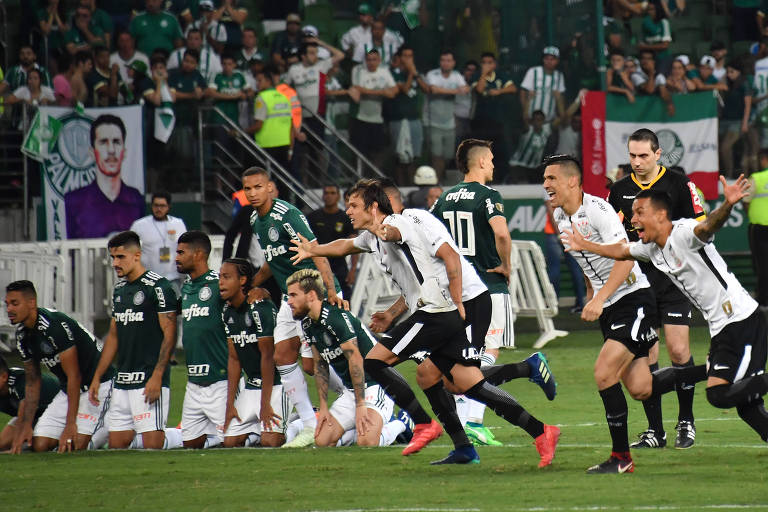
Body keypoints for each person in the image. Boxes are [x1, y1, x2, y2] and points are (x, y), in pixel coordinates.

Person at [291, 179, 561, 466]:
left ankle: (425, 424)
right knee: (448, 380)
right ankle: (517, 431)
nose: (348, 212)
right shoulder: (374, 237)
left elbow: (441, 254)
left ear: (375, 206)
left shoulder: (406, 220)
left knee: (387, 364)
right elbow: (348, 247)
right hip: (440, 306)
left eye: (354, 206)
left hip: (466, 304)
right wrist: (314, 250)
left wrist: (458, 304)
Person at [563, 176, 768, 447]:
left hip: (742, 322)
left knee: (720, 395)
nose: (633, 220)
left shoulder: (682, 233)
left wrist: (728, 205)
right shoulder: (651, 248)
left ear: (661, 215)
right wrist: (586, 245)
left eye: (639, 213)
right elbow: (622, 250)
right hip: (722, 329)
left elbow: (706, 227)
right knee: (746, 405)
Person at [543, 154, 697, 473]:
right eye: (544, 179)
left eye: (551, 178)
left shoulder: (598, 210)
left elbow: (625, 259)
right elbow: (586, 258)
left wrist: (598, 298)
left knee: (603, 373)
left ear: (573, 181)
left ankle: (620, 458)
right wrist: (591, 292)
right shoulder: (560, 216)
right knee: (641, 387)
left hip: (632, 299)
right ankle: (713, 368)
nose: (546, 184)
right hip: (611, 304)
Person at [608, 128, 706, 450]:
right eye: (632, 156)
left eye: (643, 156)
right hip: (639, 286)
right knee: (647, 356)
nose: (636, 162)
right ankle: (655, 431)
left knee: (678, 350)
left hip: (675, 279)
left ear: (658, 154)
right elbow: (615, 239)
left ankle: (686, 421)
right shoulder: (619, 190)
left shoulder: (679, 184)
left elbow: (700, 227)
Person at [429, 139, 528, 443]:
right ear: (483, 161)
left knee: (466, 352)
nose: (494, 165)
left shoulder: (443, 199)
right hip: (488, 285)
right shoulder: (488, 195)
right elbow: (501, 233)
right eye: (493, 159)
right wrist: (507, 266)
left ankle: (463, 416)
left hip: (458, 291)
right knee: (488, 351)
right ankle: (473, 417)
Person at [243, 167, 344, 448]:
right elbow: (272, 261)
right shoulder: (255, 219)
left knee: (313, 364)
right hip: (291, 296)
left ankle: (353, 395)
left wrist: (332, 291)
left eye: (257, 187)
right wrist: (251, 284)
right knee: (283, 354)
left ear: (270, 187)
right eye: (247, 189)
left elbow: (317, 251)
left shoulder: (286, 215)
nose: (252, 193)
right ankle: (311, 425)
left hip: (314, 292)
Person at [287, 268, 408, 447]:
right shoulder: (308, 324)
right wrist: (324, 407)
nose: (289, 301)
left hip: (377, 385)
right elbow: (320, 366)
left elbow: (355, 360)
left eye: (293, 295)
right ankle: (359, 430)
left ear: (311, 295)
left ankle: (401, 424)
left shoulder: (336, 318)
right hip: (352, 391)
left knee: (367, 443)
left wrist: (360, 406)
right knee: (322, 441)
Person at [88, 231, 180, 450]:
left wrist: (158, 376)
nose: (114, 263)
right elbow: (114, 335)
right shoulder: (119, 290)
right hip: (122, 382)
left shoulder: (159, 287)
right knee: (117, 447)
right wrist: (98, 376)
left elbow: (170, 334)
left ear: (137, 255)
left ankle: (181, 435)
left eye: (120, 257)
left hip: (148, 379)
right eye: (112, 257)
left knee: (152, 447)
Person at [7, 280, 115, 453]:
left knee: (75, 445)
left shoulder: (54, 327)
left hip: (99, 386)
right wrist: (26, 425)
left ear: (31, 302)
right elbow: (33, 381)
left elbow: (74, 376)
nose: (9, 310)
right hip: (69, 391)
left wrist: (70, 424)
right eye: (7, 304)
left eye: (14, 303)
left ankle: (114, 424)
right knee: (39, 444)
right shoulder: (23, 336)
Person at [220, 258, 287, 447]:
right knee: (230, 442)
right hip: (252, 385)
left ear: (242, 280)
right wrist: (230, 405)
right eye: (219, 277)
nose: (221, 282)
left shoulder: (259, 308)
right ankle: (259, 429)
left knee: (271, 442)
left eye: (226, 277)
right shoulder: (227, 311)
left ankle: (299, 422)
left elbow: (268, 357)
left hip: (276, 384)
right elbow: (234, 359)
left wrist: (265, 404)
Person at [175, 231, 229, 449]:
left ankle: (297, 423)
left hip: (221, 379)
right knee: (190, 443)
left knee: (233, 442)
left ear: (198, 254)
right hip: (193, 382)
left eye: (181, 252)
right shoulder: (187, 288)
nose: (176, 257)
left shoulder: (219, 285)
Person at [64, 114, 144, 239]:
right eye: (103, 142)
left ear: (125, 151)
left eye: (116, 142)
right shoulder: (74, 201)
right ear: (92, 152)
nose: (111, 150)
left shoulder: (136, 199)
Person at [349, 49, 398, 170]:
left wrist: (368, 91)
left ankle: (375, 177)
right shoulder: (359, 71)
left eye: (374, 59)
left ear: (379, 60)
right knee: (360, 151)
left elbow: (394, 92)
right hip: (361, 118)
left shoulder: (384, 72)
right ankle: (361, 177)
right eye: (369, 60)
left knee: (378, 151)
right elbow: (357, 90)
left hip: (378, 118)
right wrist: (382, 92)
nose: (371, 62)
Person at [425, 50, 469, 182]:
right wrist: (455, 91)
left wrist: (444, 90)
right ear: (440, 62)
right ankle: (435, 182)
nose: (446, 63)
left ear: (453, 63)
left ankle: (439, 179)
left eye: (449, 60)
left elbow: (466, 89)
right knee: (436, 155)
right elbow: (433, 89)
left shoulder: (456, 75)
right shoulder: (433, 74)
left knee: (448, 155)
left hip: (449, 122)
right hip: (433, 121)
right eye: (443, 60)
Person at [0, 355, 61, 451]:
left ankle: (56, 444)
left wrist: (17, 442)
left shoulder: (20, 380)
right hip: (35, 413)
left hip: (57, 408)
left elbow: (24, 412)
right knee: (2, 444)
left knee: (39, 444)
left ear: (4, 376)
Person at [130, 192, 187, 293]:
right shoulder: (139, 225)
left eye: (162, 206)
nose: (159, 209)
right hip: (148, 279)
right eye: (156, 205)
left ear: (169, 206)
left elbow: (185, 249)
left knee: (174, 307)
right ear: (151, 206)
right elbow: (130, 251)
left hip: (172, 278)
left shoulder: (178, 224)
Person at [472, 52, 516, 182]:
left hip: (498, 122)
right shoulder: (476, 76)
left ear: (494, 64)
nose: (487, 65)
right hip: (481, 123)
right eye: (484, 62)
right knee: (482, 153)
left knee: (500, 152)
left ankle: (501, 179)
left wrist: (499, 91)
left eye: (489, 62)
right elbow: (479, 90)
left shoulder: (501, 76)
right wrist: (484, 74)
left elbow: (513, 88)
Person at [387, 46, 428, 185]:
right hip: (398, 120)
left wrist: (415, 73)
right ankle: (400, 186)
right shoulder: (394, 73)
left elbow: (426, 89)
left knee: (413, 156)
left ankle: (412, 185)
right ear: (399, 57)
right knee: (399, 157)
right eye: (405, 56)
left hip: (414, 119)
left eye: (410, 56)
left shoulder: (417, 73)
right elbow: (404, 89)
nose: (408, 59)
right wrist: (411, 72)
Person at [307, 185, 356, 299]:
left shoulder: (346, 218)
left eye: (332, 193)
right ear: (322, 196)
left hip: (339, 268)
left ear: (338, 196)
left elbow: (354, 243)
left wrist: (353, 269)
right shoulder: (313, 217)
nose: (329, 196)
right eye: (326, 193)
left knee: (344, 300)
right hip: (317, 267)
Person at [247, 65, 293, 171]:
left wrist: (243, 132)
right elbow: (291, 126)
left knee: (266, 178)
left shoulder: (261, 98)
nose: (257, 84)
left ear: (268, 81)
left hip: (267, 144)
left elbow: (258, 125)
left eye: (259, 81)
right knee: (282, 179)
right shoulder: (284, 97)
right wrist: (291, 148)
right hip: (284, 143)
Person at [746, 149, 768, 310]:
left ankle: (763, 300)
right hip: (759, 229)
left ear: (764, 160)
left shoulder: (757, 178)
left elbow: (746, 200)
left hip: (759, 228)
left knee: (761, 265)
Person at [520, 46, 566, 124]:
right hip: (531, 120)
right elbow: (523, 93)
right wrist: (525, 114)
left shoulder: (559, 76)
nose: (549, 61)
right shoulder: (533, 71)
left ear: (557, 61)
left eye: (552, 59)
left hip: (549, 121)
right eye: (546, 58)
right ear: (543, 59)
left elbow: (561, 97)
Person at [207, 52, 250, 126]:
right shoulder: (216, 76)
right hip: (219, 117)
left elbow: (250, 91)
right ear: (221, 64)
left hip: (235, 116)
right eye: (224, 64)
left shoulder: (239, 75)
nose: (227, 66)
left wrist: (245, 95)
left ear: (234, 64)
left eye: (229, 64)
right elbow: (211, 93)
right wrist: (233, 96)